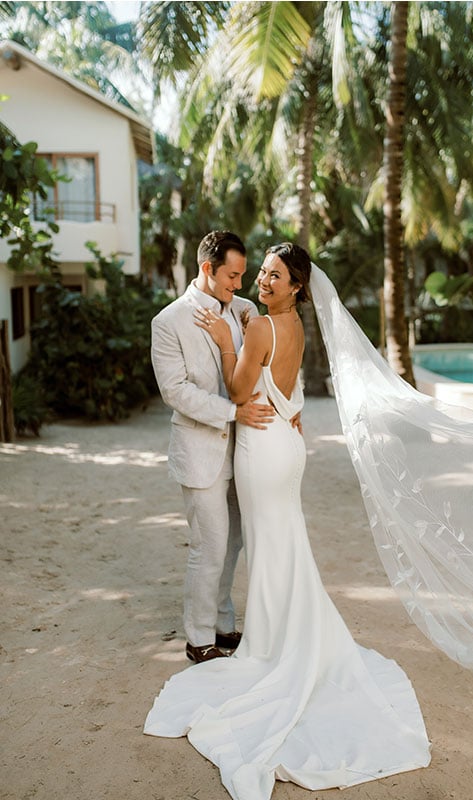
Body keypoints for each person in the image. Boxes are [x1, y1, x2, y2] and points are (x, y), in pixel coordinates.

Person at [144, 243, 432, 800]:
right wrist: (282, 401)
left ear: (298, 285)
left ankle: (268, 645)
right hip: (278, 445)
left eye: (271, 276)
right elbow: (272, 384)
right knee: (275, 544)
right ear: (212, 271)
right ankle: (258, 631)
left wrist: (230, 346)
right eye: (252, 274)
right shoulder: (288, 322)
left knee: (267, 544)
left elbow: (238, 389)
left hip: (260, 447)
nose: (257, 282)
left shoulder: (252, 325)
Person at [150, 230, 275, 664]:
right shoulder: (168, 322)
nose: (240, 285)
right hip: (200, 452)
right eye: (232, 276)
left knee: (234, 542)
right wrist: (231, 412)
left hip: (245, 452)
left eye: (242, 276)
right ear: (208, 268)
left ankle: (224, 624)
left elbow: (255, 367)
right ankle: (199, 637)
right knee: (210, 545)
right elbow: (175, 391)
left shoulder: (245, 311)